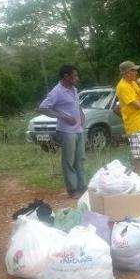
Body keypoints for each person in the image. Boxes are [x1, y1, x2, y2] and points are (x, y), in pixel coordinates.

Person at [38, 64, 86, 199]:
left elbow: (77, 104)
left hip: (78, 130)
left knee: (80, 159)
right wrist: (63, 116)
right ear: (66, 76)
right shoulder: (57, 92)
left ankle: (83, 187)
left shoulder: (73, 89)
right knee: (69, 161)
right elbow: (43, 108)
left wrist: (82, 115)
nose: (77, 78)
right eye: (75, 75)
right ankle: (73, 190)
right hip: (66, 132)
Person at [115, 61, 140, 173]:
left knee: (139, 155)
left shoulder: (133, 83)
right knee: (137, 156)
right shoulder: (123, 87)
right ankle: (136, 178)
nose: (136, 72)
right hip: (135, 126)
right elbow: (139, 105)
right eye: (134, 70)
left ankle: (135, 177)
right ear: (127, 73)